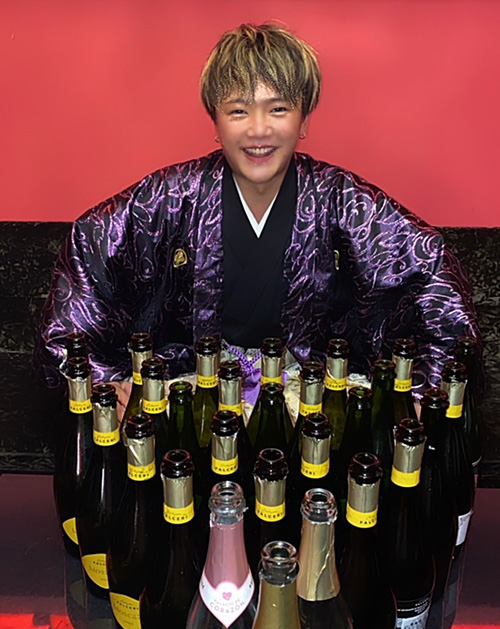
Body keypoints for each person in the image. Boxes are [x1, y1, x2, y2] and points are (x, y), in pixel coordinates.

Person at [36, 23, 481, 415]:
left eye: (278, 108)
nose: (258, 129)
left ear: (304, 118)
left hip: (312, 400)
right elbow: (86, 268)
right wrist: (103, 380)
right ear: (215, 122)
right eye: (238, 110)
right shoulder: (169, 198)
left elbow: (433, 279)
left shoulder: (343, 202)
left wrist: (422, 391)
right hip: (190, 394)